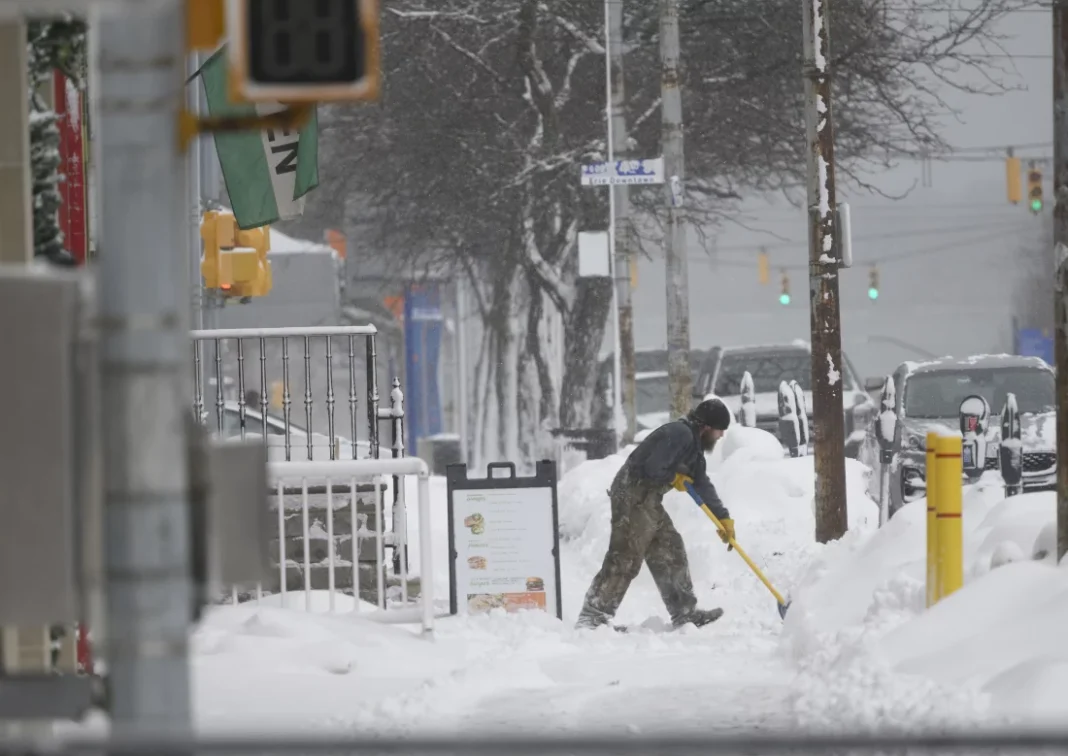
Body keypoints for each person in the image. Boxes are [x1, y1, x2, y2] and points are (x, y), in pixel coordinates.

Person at [575, 398, 735, 631]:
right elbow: (653, 468)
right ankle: (593, 616)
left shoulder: (694, 447)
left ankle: (684, 613)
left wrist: (723, 518)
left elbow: (701, 481)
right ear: (707, 427)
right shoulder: (680, 434)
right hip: (632, 492)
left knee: (670, 549)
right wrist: (674, 478)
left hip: (648, 498)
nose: (721, 437)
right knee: (626, 555)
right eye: (720, 431)